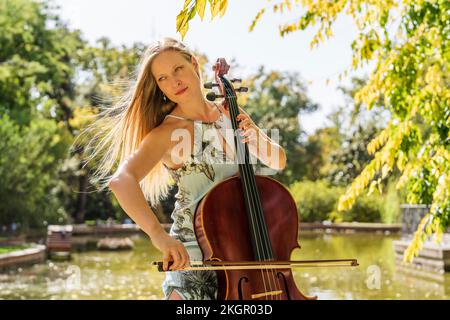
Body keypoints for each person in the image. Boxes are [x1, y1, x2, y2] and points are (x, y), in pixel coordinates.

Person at [80, 37, 286, 300]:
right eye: (163, 78)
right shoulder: (167, 132)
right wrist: (158, 235)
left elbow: (278, 161)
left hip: (245, 250)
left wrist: (254, 133)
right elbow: (122, 180)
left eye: (177, 69)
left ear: (193, 64)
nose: (174, 82)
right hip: (193, 257)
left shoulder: (228, 113)